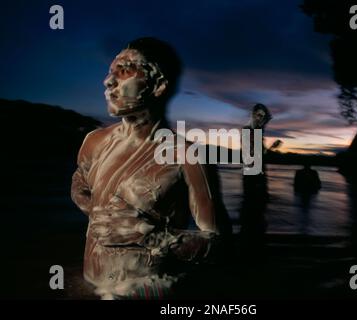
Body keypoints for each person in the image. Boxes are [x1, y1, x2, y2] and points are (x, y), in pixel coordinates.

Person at [71, 37, 230, 299]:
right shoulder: (94, 141)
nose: (108, 81)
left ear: (158, 86)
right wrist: (93, 208)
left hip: (147, 291)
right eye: (111, 71)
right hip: (91, 287)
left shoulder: (186, 155)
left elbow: (219, 246)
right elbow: (79, 180)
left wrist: (150, 235)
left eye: (124, 70)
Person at [239, 103, 272, 250]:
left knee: (256, 214)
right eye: (259, 116)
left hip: (257, 176)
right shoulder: (248, 131)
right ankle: (250, 248)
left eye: (263, 117)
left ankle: (253, 246)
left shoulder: (257, 131)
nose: (261, 119)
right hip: (253, 177)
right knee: (253, 213)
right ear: (253, 115)